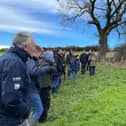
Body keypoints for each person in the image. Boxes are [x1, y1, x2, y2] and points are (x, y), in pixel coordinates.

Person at [0, 32, 36, 126]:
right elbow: (12, 99)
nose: (34, 48)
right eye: (33, 45)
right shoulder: (14, 63)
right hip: (10, 118)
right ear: (25, 46)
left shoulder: (8, 58)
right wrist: (25, 112)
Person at [26, 47, 56, 126]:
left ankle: (35, 121)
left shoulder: (36, 62)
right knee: (40, 108)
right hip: (38, 88)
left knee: (37, 108)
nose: (41, 56)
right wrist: (48, 68)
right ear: (35, 52)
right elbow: (35, 73)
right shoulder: (34, 62)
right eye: (40, 53)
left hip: (36, 88)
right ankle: (41, 120)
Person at [38, 51, 56, 123]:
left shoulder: (42, 62)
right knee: (45, 103)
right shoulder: (45, 65)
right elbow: (54, 70)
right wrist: (53, 63)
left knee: (43, 103)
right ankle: (43, 119)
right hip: (44, 87)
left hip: (42, 86)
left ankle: (42, 117)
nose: (53, 58)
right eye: (52, 57)